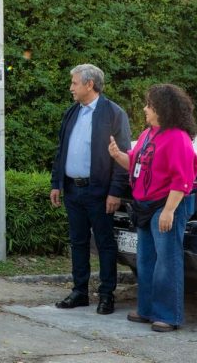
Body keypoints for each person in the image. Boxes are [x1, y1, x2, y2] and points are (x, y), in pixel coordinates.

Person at [108, 83, 197, 332]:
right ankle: (146, 309)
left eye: (149, 105)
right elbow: (135, 163)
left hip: (166, 204)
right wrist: (117, 155)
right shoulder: (148, 134)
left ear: (163, 108)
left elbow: (182, 178)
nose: (145, 109)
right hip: (145, 206)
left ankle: (168, 315)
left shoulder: (178, 138)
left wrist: (169, 211)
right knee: (146, 260)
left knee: (166, 262)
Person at [50, 63, 131, 315]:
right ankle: (80, 292)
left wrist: (115, 191)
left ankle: (106, 295)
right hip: (72, 190)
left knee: (105, 244)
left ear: (89, 84)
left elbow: (123, 155)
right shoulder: (72, 112)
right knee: (78, 242)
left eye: (74, 83)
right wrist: (56, 183)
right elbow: (61, 150)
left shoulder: (113, 113)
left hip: (100, 192)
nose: (71, 88)